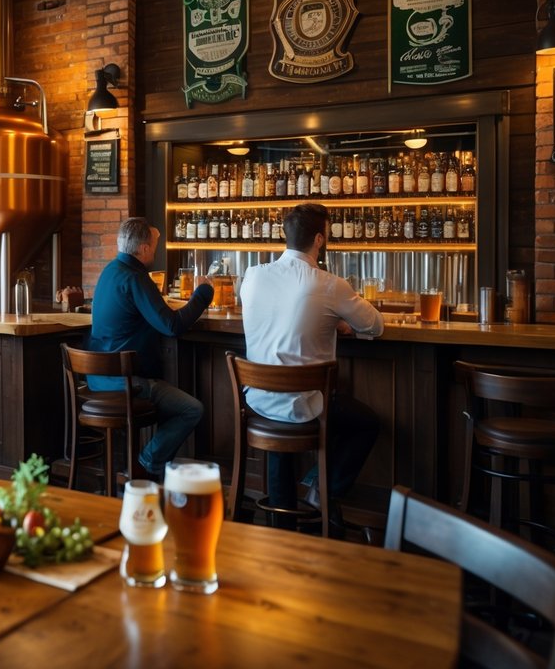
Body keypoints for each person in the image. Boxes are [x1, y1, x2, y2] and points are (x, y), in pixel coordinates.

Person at [237, 202, 384, 532]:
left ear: (286, 236)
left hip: (256, 401)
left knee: (281, 411)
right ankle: (322, 491)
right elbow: (375, 325)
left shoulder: (253, 275)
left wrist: (327, 318)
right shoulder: (329, 284)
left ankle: (282, 523)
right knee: (367, 423)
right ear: (319, 239)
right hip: (305, 406)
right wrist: (336, 320)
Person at [86, 217, 213, 477]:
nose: (156, 249)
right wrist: (202, 294)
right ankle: (148, 464)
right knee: (191, 409)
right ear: (144, 248)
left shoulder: (110, 270)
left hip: (97, 380)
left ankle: (149, 470)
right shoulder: (136, 278)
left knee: (172, 399)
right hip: (127, 383)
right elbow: (172, 326)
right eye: (155, 244)